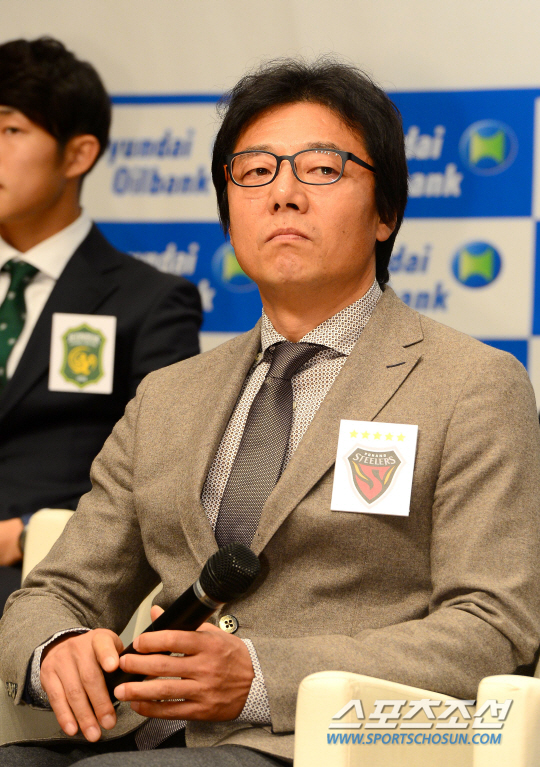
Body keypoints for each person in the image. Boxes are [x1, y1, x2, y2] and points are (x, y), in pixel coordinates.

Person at [1, 57, 540, 767]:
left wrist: (261, 677)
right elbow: (57, 590)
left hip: (322, 744)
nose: (283, 194)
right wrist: (57, 646)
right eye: (254, 172)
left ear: (386, 213)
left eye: (321, 169)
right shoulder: (169, 395)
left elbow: (494, 626)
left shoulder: (471, 384)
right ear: (229, 216)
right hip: (138, 731)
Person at [0, 36, 202, 611]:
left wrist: (28, 533)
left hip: (40, 580)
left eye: (10, 129)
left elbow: (161, 481)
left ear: (78, 155)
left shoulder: (150, 303)